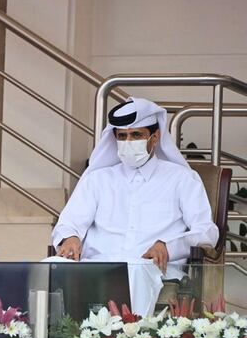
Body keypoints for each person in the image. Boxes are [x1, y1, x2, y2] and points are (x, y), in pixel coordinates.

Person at [51, 97, 218, 314]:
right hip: (97, 265)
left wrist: (168, 246)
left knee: (134, 270)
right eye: (122, 136)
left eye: (136, 135)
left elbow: (207, 232)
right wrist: (70, 237)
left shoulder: (181, 179)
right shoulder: (97, 179)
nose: (128, 142)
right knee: (50, 266)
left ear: (155, 137)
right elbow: (68, 224)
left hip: (153, 269)